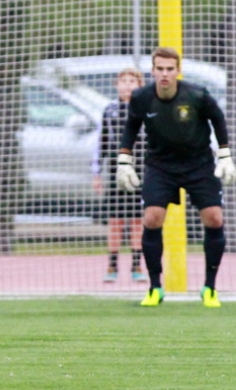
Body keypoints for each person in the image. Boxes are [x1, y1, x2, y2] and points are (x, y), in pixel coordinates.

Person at [117, 46, 236, 307]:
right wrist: (124, 159)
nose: (165, 74)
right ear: (153, 70)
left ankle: (209, 288)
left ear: (178, 71)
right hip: (160, 165)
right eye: (160, 69)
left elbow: (218, 118)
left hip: (199, 164)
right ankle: (155, 288)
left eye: (170, 69)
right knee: (152, 218)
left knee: (215, 218)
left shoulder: (196, 94)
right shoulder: (141, 97)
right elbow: (131, 127)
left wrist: (225, 154)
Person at [92, 67, 147, 283]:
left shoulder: (146, 108)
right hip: (117, 172)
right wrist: (96, 173)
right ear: (116, 85)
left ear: (139, 85)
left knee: (137, 220)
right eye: (122, 80)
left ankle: (136, 265)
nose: (127, 84)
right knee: (116, 220)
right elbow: (101, 144)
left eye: (131, 81)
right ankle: (112, 264)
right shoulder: (109, 110)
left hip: (141, 170)